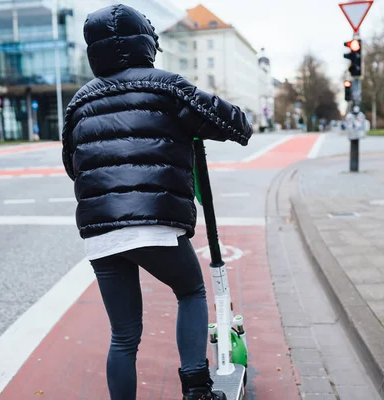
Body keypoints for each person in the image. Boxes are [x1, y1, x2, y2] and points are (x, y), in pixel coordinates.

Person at [61, 4, 252, 400]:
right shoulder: (166, 85)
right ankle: (198, 390)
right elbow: (235, 126)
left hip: (100, 231)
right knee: (190, 292)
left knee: (124, 335)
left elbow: (72, 164)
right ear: (145, 43)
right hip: (155, 222)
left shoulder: (78, 102)